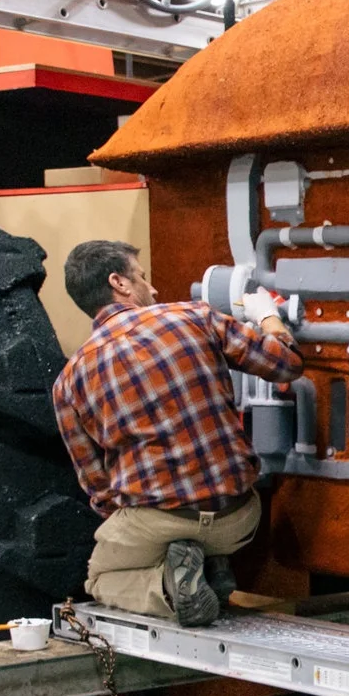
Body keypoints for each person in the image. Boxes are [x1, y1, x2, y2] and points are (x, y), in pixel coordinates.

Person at [52, 239, 304, 626]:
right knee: (203, 531)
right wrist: (268, 316)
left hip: (159, 521)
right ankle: (208, 565)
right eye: (142, 277)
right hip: (239, 516)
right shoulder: (194, 317)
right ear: (118, 282)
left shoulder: (68, 382)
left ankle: (171, 588)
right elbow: (286, 365)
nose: (152, 289)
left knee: (99, 578)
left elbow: (98, 487)